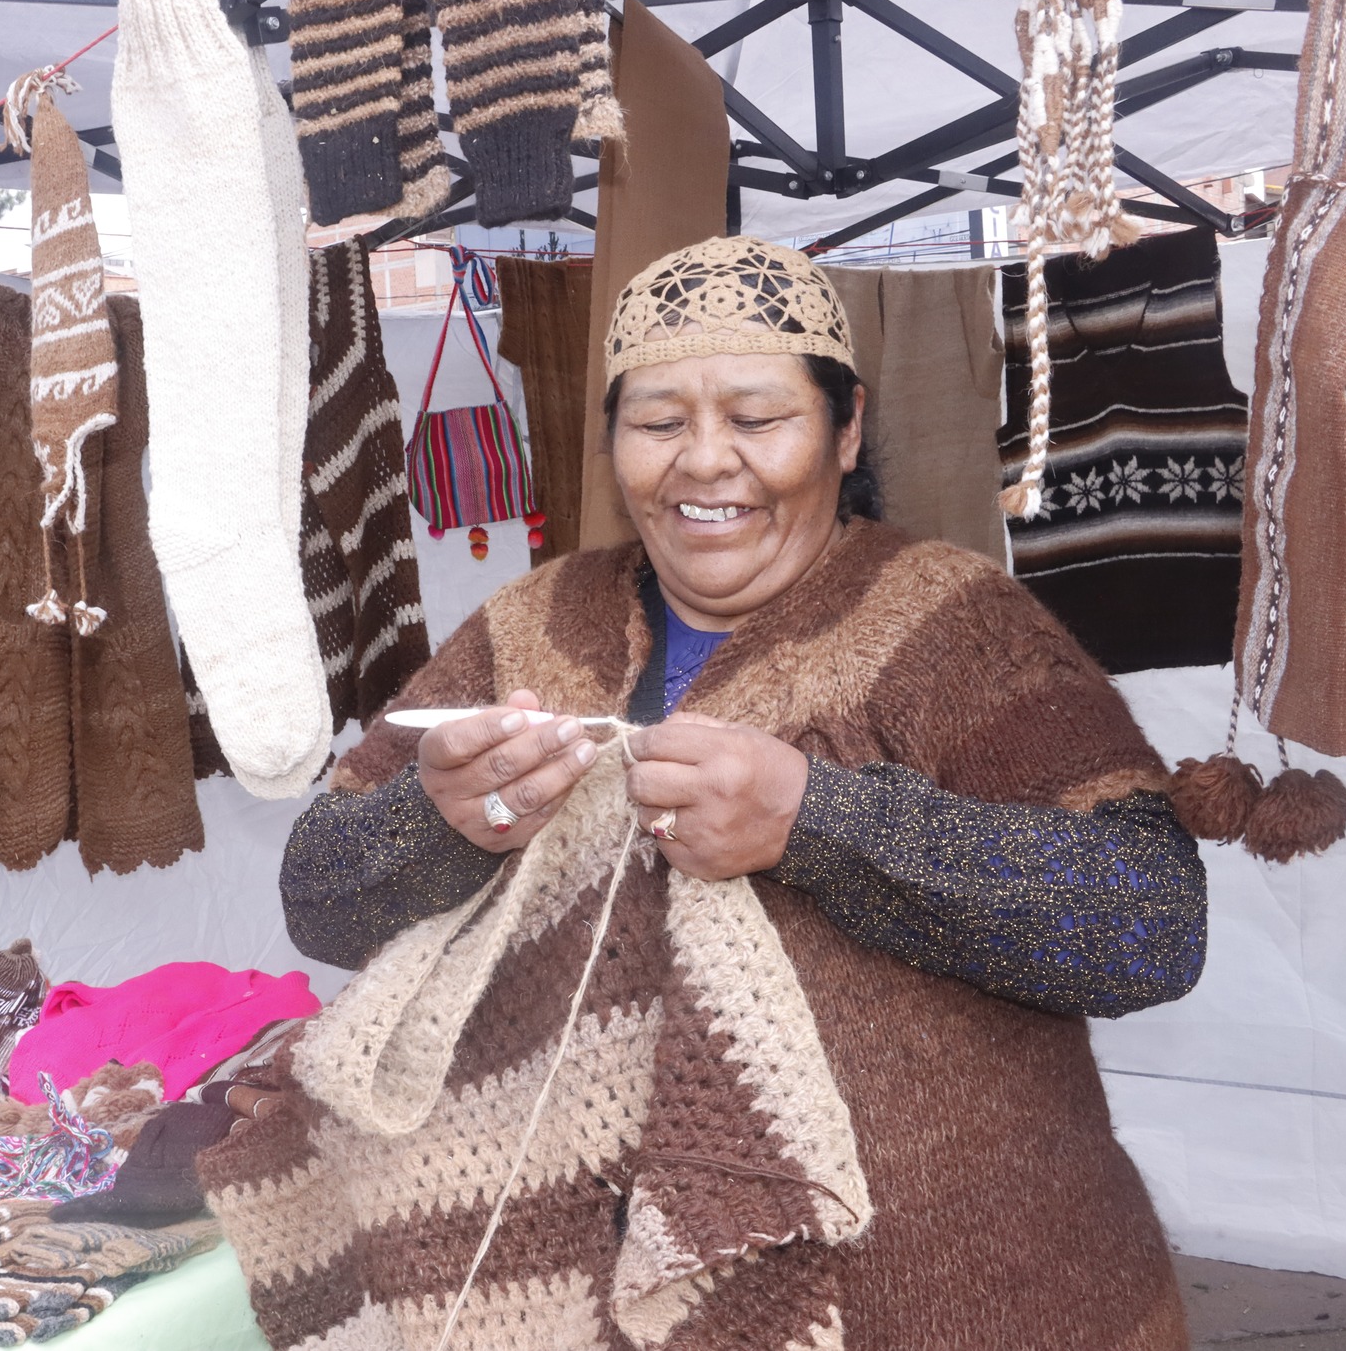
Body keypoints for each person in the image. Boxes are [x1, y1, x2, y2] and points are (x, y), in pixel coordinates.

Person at [221, 237, 1207, 1350]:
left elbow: (1148, 924)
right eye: (657, 423)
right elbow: (322, 902)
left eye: (756, 418)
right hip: (591, 1295)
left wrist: (816, 821)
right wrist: (438, 823)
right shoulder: (530, 628)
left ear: (844, 430)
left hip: (963, 1298)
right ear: (612, 443)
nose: (703, 462)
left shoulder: (951, 626)